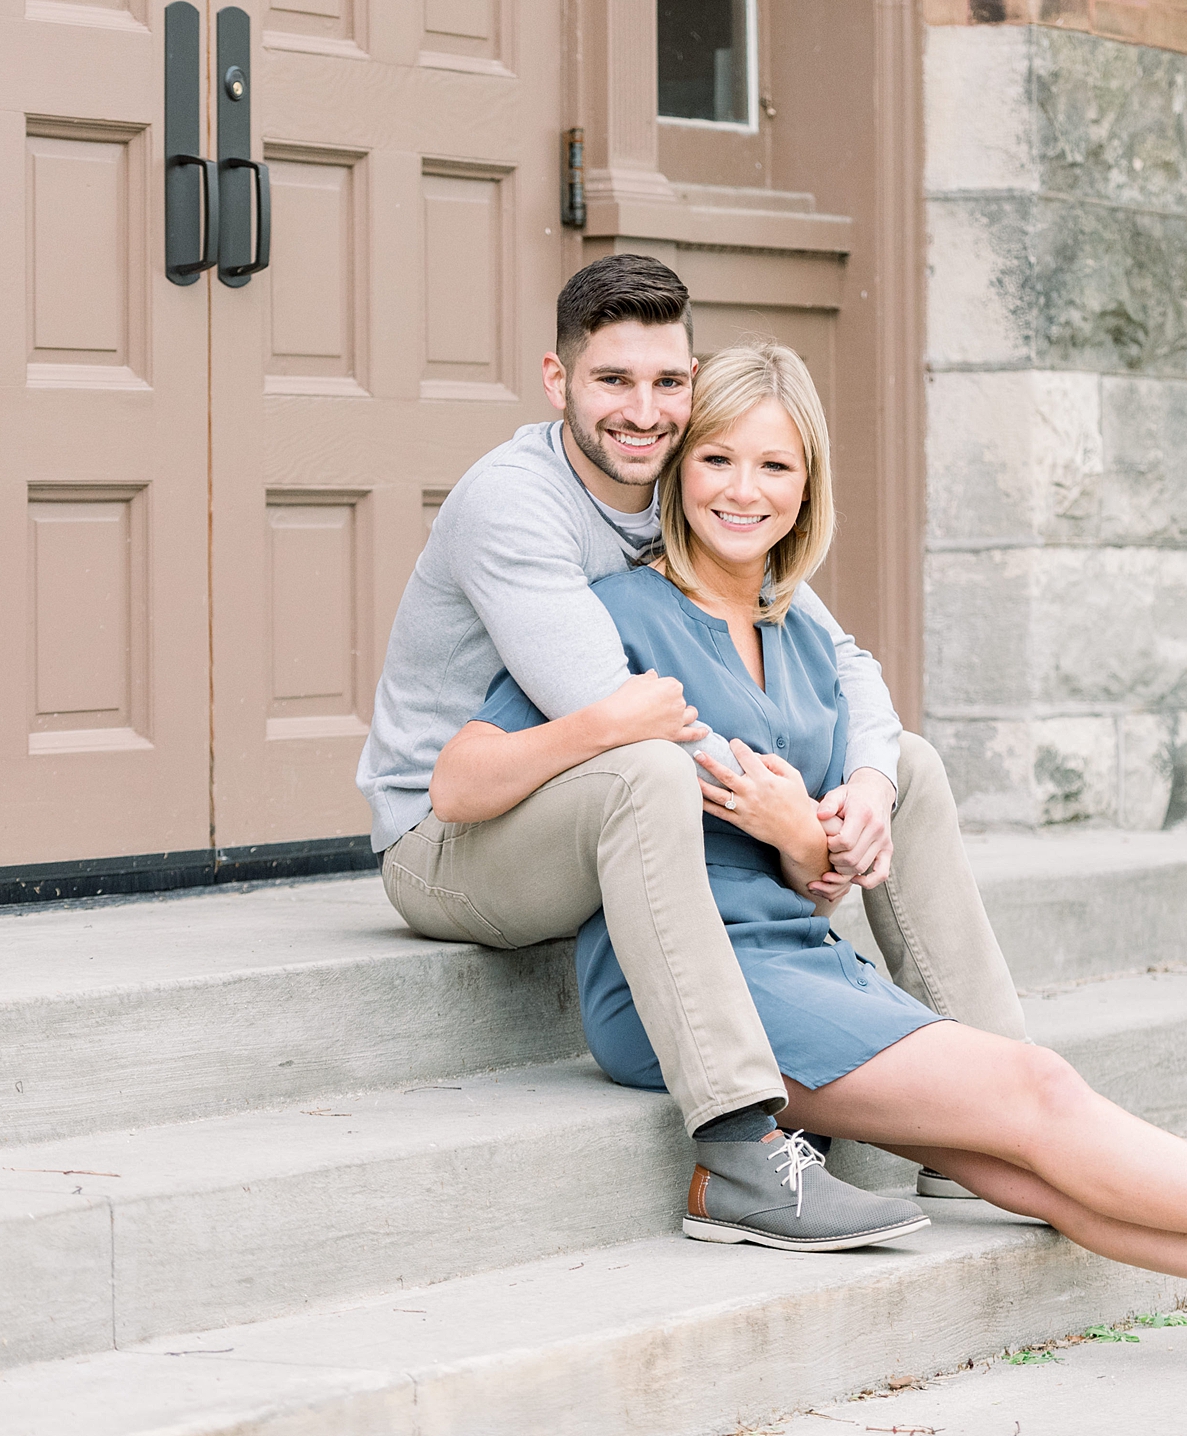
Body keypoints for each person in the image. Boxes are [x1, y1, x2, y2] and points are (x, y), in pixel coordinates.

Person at [428, 340, 1187, 1371]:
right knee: (1037, 1091)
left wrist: (828, 821)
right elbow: (468, 770)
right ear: (679, 473)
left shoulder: (806, 632)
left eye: (774, 463)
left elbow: (865, 778)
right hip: (692, 981)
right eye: (716, 456)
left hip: (803, 960)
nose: (742, 488)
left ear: (808, 483)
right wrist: (633, 748)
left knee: (1016, 1160)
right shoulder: (615, 614)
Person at [358, 255, 1027, 1252]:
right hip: (457, 835)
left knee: (910, 766)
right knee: (648, 768)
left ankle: (1002, 1095)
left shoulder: (679, 474)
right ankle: (741, 1145)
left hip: (588, 802)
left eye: (668, 383)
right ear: (558, 382)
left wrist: (871, 784)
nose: (643, 410)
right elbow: (628, 712)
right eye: (612, 381)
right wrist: (800, 830)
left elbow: (839, 658)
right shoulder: (516, 504)